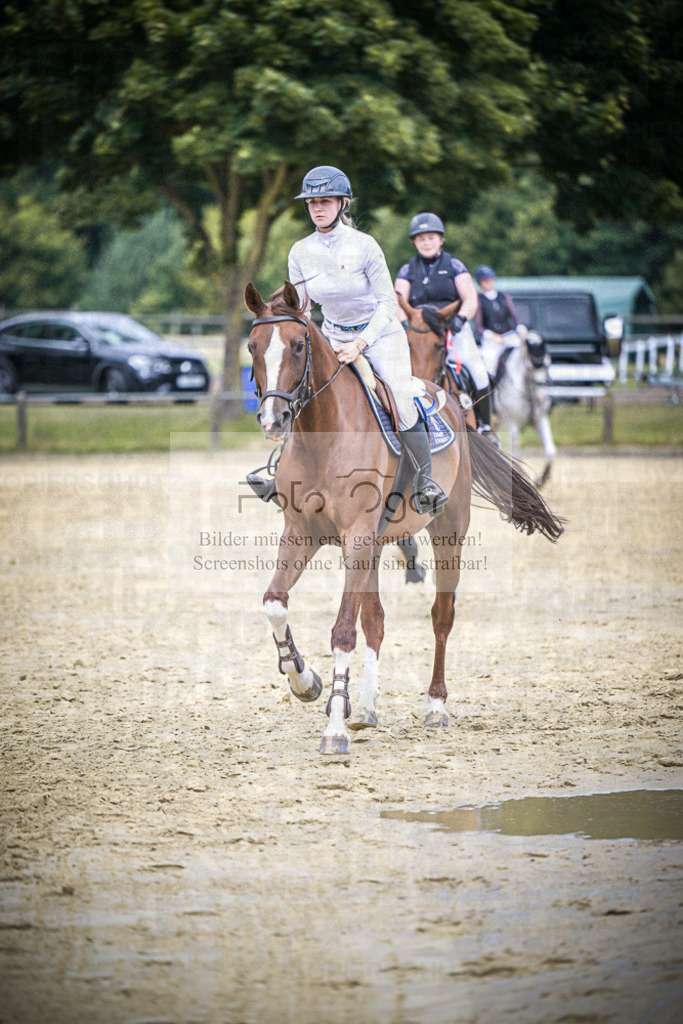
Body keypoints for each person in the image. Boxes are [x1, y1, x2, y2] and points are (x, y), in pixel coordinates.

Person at [251, 165, 447, 517]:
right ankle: (281, 473)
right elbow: (302, 308)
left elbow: (388, 304)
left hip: (380, 335)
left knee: (401, 399)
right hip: (332, 335)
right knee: (300, 393)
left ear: (342, 203)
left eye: (325, 201)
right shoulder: (300, 251)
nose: (317, 208)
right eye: (312, 202)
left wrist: (360, 345)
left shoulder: (364, 246)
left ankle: (425, 481)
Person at [394, 213, 496, 441]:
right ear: (414, 242)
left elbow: (470, 298)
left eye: (431, 238)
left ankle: (485, 427)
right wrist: (404, 323)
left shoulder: (454, 265)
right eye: (421, 239)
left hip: (452, 328)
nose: (426, 243)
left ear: (440, 240)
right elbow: (398, 301)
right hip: (420, 333)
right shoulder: (407, 270)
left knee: (478, 371)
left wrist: (461, 318)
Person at [473, 265, 528, 378]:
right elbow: (479, 327)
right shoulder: (479, 300)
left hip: (508, 335)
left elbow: (514, 315)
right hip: (491, 341)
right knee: (489, 364)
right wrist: (492, 336)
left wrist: (520, 327)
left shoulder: (504, 296)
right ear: (480, 283)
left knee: (524, 357)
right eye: (485, 280)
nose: (489, 282)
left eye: (490, 279)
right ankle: (492, 385)